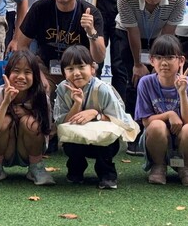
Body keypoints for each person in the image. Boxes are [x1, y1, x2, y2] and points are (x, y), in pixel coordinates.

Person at [113, 0, 187, 155]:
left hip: (159, 36)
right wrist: (138, 63)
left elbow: (168, 34)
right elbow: (133, 31)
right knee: (132, 82)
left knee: (157, 81)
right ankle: (133, 134)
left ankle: (158, 130)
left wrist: (158, 63)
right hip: (129, 34)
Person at [52, 45, 137, 190]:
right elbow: (61, 122)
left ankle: (107, 173)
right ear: (64, 72)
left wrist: (95, 114)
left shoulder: (102, 89)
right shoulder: (62, 89)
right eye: (70, 69)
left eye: (81, 67)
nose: (76, 73)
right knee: (70, 141)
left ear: (92, 68)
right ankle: (76, 168)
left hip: (103, 142)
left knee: (106, 144)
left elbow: (120, 120)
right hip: (77, 141)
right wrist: (77, 104)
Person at [0, 50, 55, 186]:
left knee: (30, 123)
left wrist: (28, 114)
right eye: (16, 71)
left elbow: (47, 130)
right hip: (4, 150)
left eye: (27, 72)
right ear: (7, 73)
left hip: (29, 151)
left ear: (35, 76)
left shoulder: (40, 96)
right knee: (4, 121)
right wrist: (5, 103)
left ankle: (36, 167)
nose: (21, 77)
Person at [15, 0, 105, 78]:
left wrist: (91, 32)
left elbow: (99, 58)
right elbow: (22, 46)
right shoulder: (39, 9)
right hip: (46, 70)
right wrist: (37, 73)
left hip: (79, 71)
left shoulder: (91, 13)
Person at [134, 35, 188, 186]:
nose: (164, 63)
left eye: (170, 57)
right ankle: (158, 166)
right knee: (156, 125)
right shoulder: (145, 83)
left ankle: (186, 168)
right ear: (152, 60)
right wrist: (169, 114)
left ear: (181, 60)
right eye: (159, 57)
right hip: (156, 138)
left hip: (183, 137)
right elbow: (146, 121)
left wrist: (182, 93)